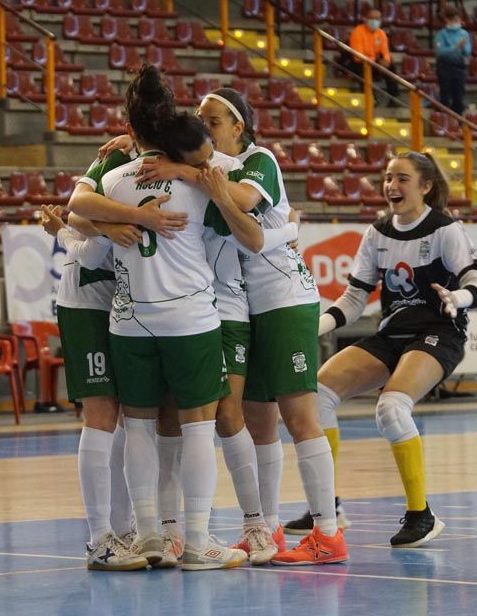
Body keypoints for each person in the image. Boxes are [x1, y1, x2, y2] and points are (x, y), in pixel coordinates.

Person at [134, 87, 350, 565]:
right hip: (245, 308)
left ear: (239, 126)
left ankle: (328, 532)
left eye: (213, 120)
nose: (203, 125)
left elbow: (246, 209)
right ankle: (266, 529)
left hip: (283, 298)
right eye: (200, 120)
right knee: (259, 422)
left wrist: (183, 170)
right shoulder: (202, 171)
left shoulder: (258, 160)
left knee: (299, 417)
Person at [315, 152, 477, 547]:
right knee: (317, 395)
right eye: (387, 178)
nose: (391, 186)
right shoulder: (377, 233)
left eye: (402, 179)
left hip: (439, 333)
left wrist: (458, 298)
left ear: (425, 186)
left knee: (391, 408)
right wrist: (317, 325)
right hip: (393, 334)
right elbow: (353, 300)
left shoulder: (446, 230)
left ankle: (421, 515)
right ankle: (327, 508)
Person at [39, 183, 148, 571]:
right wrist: (99, 229)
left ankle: (124, 528)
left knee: (129, 418)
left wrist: (67, 230)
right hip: (88, 308)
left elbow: (75, 227)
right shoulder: (111, 176)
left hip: (125, 308)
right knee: (101, 416)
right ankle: (100, 538)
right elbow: (86, 250)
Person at [342, 8, 400, 106]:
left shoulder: (381, 33)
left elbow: (385, 52)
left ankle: (394, 98)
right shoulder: (357, 32)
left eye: (377, 19)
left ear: (380, 21)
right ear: (365, 19)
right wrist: (377, 62)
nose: (374, 21)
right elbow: (358, 57)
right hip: (358, 63)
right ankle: (371, 99)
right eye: (371, 18)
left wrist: (385, 61)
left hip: (374, 62)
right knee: (363, 68)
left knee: (391, 66)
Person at [434, 5, 471, 115]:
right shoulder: (441, 34)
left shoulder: (464, 34)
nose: (454, 21)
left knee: (458, 97)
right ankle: (444, 121)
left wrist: (462, 47)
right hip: (445, 67)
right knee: (445, 96)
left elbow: (467, 51)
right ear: (446, 20)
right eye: (451, 19)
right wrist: (455, 48)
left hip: (459, 67)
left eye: (456, 19)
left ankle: (458, 124)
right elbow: (440, 52)